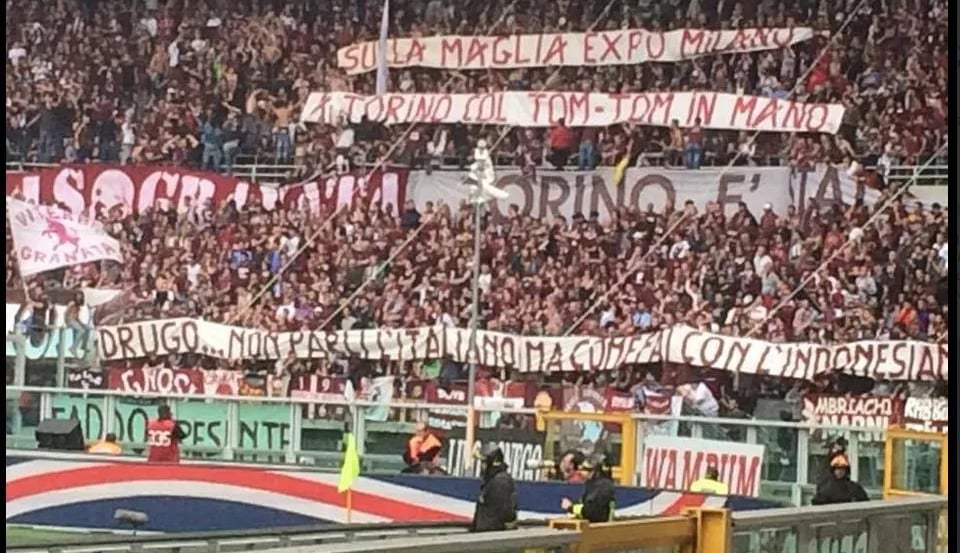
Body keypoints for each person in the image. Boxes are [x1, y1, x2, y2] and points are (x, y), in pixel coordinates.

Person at [471, 443, 518, 532]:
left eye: (484, 462)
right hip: (484, 536)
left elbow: (506, 514)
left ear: (492, 463)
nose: (482, 467)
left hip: (492, 538)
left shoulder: (500, 482)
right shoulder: (491, 480)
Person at [561, 453, 616, 523]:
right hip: (601, 527)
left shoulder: (601, 487)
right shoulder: (596, 484)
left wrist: (570, 507)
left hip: (599, 529)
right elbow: (584, 503)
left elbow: (590, 512)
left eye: (584, 469)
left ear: (594, 471)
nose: (580, 472)